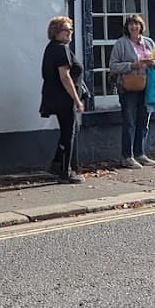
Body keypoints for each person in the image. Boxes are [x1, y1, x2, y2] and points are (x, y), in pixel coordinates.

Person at [39, 15, 85, 184]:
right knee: (69, 133)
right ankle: (66, 171)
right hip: (63, 98)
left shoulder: (53, 48)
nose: (69, 33)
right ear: (56, 32)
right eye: (65, 30)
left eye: (70, 29)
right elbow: (65, 77)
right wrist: (76, 99)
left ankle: (57, 164)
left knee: (70, 130)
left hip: (56, 97)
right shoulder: (60, 49)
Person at [108, 14, 155, 168]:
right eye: (131, 24)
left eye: (136, 24)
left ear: (141, 26)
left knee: (144, 121)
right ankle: (127, 156)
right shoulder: (121, 44)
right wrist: (132, 65)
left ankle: (140, 153)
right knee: (129, 121)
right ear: (127, 27)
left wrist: (154, 63)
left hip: (147, 86)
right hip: (128, 87)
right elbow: (113, 66)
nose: (134, 27)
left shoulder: (149, 42)